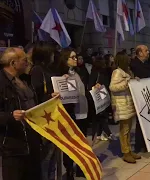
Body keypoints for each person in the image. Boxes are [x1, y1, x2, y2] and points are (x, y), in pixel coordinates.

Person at [0, 47, 42, 180]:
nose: (28, 63)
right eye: (25, 60)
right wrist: (11, 116)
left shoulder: (25, 80)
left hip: (33, 142)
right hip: (14, 147)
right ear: (13, 63)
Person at [55, 48, 89, 179]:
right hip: (71, 113)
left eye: (76, 57)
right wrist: (62, 81)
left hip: (83, 110)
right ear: (65, 59)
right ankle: (69, 170)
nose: (76, 59)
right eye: (73, 57)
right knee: (70, 143)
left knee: (82, 142)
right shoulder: (60, 74)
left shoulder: (78, 72)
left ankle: (81, 167)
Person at [30, 42, 57, 180]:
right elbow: (36, 95)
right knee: (45, 158)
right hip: (43, 118)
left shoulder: (48, 69)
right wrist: (49, 96)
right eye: (51, 53)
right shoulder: (37, 70)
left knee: (52, 158)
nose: (54, 56)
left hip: (52, 116)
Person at [110, 52, 141, 163]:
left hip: (128, 104)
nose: (129, 60)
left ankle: (128, 150)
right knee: (124, 130)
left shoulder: (126, 71)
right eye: (127, 58)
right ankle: (125, 152)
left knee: (128, 129)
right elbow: (113, 87)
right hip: (122, 105)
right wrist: (127, 83)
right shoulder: (117, 72)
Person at [130, 45, 150, 152]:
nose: (148, 52)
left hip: (147, 95)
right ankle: (138, 145)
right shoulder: (133, 64)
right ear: (140, 53)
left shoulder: (146, 64)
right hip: (138, 96)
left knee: (146, 120)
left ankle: (145, 143)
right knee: (140, 121)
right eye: (146, 51)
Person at [88, 56, 115, 141]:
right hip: (98, 97)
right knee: (101, 116)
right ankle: (108, 133)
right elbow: (90, 85)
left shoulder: (104, 72)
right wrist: (95, 86)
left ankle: (98, 134)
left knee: (100, 117)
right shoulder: (96, 73)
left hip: (103, 96)